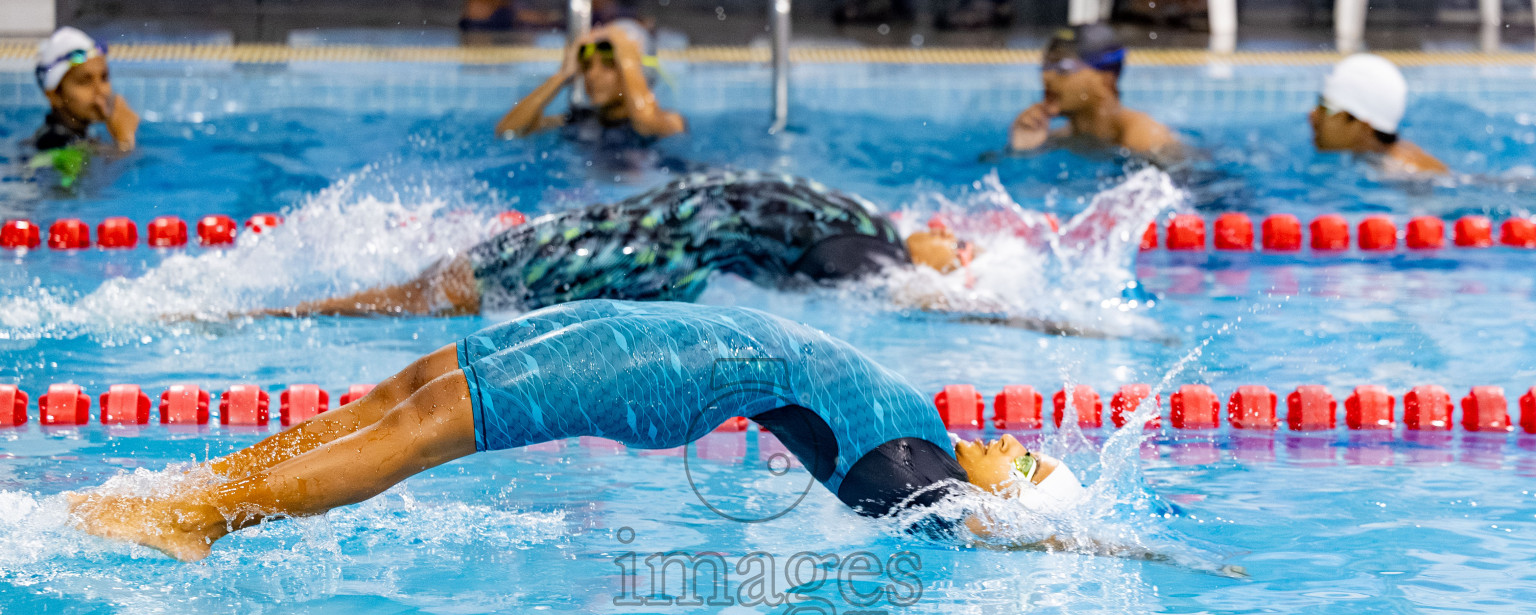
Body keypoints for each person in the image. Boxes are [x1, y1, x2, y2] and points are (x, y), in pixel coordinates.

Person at [68, 300, 1082, 562]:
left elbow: (940, 518)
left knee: (424, 427)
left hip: (682, 370)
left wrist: (1053, 531)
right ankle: (175, 497)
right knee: (410, 387)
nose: (1020, 442)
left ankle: (199, 519)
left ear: (1002, 493)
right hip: (673, 337)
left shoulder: (922, 467)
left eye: (1032, 465)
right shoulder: (929, 432)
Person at [262, 171, 973, 318]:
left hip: (653, 246)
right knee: (455, 282)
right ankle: (307, 309)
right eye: (958, 241)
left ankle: (293, 313)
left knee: (455, 288)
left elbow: (917, 296)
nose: (955, 242)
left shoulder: (875, 249)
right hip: (645, 230)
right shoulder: (878, 231)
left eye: (963, 252)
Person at [1008, 25, 1175, 158]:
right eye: (1046, 64)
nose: (1047, 76)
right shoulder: (1059, 139)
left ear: (1105, 80)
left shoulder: (1147, 139)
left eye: (1063, 68)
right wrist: (1022, 150)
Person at [495, 24, 684, 140]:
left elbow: (646, 122)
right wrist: (561, 76)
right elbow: (508, 131)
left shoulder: (671, 120)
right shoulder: (579, 121)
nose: (592, 75)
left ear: (637, 69)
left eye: (609, 64)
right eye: (586, 65)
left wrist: (627, 60)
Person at [1310, 53, 1446, 175]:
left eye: (1326, 109)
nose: (1312, 114)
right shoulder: (1374, 155)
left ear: (1364, 128)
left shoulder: (1403, 174)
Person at [32, 27, 138, 154]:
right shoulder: (55, 145)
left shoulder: (68, 137)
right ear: (54, 95)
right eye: (84, 82)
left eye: (104, 77)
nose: (102, 91)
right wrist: (125, 140)